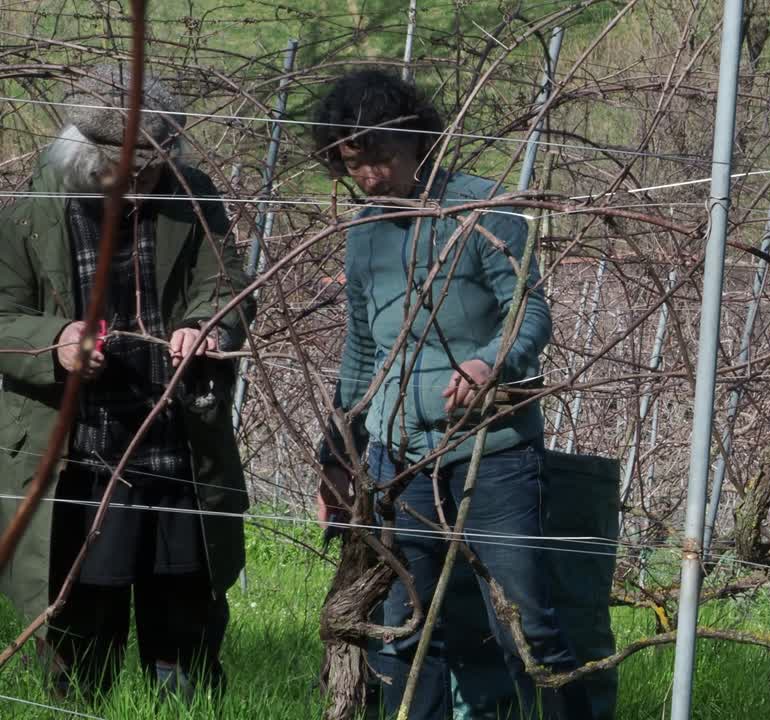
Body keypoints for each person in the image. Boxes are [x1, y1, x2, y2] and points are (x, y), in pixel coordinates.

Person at [311, 69, 592, 719]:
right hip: (396, 455)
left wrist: (487, 364)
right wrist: (338, 451)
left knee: (528, 625)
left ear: (418, 145)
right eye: (356, 165)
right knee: (405, 623)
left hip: (491, 453)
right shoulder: (363, 231)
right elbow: (360, 351)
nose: (372, 177)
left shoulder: (482, 209)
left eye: (383, 158)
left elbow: (530, 313)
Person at [0, 65, 254, 702]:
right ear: (84, 156)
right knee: (84, 607)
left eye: (154, 169)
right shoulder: (29, 215)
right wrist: (56, 341)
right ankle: (76, 708)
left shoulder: (192, 195)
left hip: (177, 443)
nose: (143, 184)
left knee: (185, 598)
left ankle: (185, 706)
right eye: (130, 171)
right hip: (78, 451)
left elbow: (225, 287)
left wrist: (208, 329)